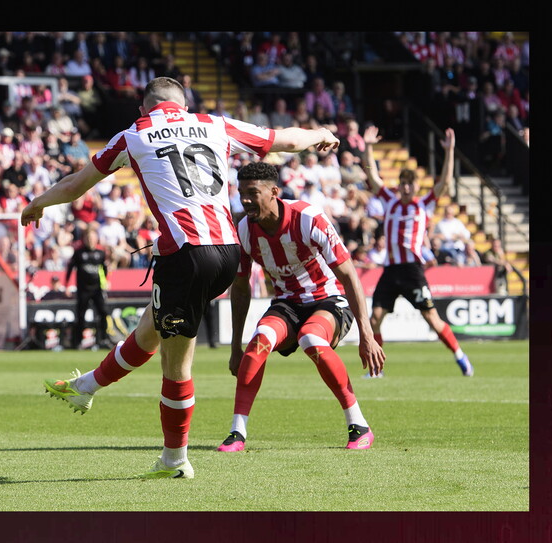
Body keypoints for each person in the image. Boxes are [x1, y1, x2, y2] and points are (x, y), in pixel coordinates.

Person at [20, 76, 342, 479]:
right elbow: (285, 140)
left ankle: (174, 461)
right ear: (184, 106)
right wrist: (321, 133)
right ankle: (87, 387)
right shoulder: (214, 124)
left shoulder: (134, 134)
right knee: (150, 329)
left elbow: (75, 184)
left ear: (144, 109)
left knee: (175, 364)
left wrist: (38, 203)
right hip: (227, 253)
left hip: (187, 253)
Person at [216, 162, 384, 453]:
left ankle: (359, 425)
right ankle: (237, 432)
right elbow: (240, 288)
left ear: (274, 192)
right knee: (259, 340)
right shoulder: (243, 230)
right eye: (241, 193)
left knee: (311, 338)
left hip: (329, 300)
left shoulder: (308, 218)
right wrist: (235, 348)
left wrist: (366, 335)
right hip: (287, 304)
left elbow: (349, 275)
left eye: (252, 193)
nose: (245, 200)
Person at [362, 125, 474, 377]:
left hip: (412, 270)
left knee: (431, 318)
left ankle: (460, 356)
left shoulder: (424, 204)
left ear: (415, 186)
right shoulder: (389, 200)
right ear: (399, 185)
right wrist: (368, 147)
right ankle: (377, 370)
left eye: (410, 184)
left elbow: (445, 183)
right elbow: (371, 176)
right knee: (375, 318)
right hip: (391, 270)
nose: (406, 188)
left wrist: (450, 151)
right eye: (403, 184)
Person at [65, 227, 111, 350]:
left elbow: (104, 269)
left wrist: (106, 281)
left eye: (92, 238)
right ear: (84, 239)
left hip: (97, 290)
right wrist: (67, 285)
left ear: (96, 239)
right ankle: (78, 342)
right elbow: (70, 269)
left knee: (103, 312)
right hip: (83, 290)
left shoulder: (100, 253)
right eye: (88, 238)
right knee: (81, 315)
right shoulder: (79, 253)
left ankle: (103, 339)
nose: (90, 240)